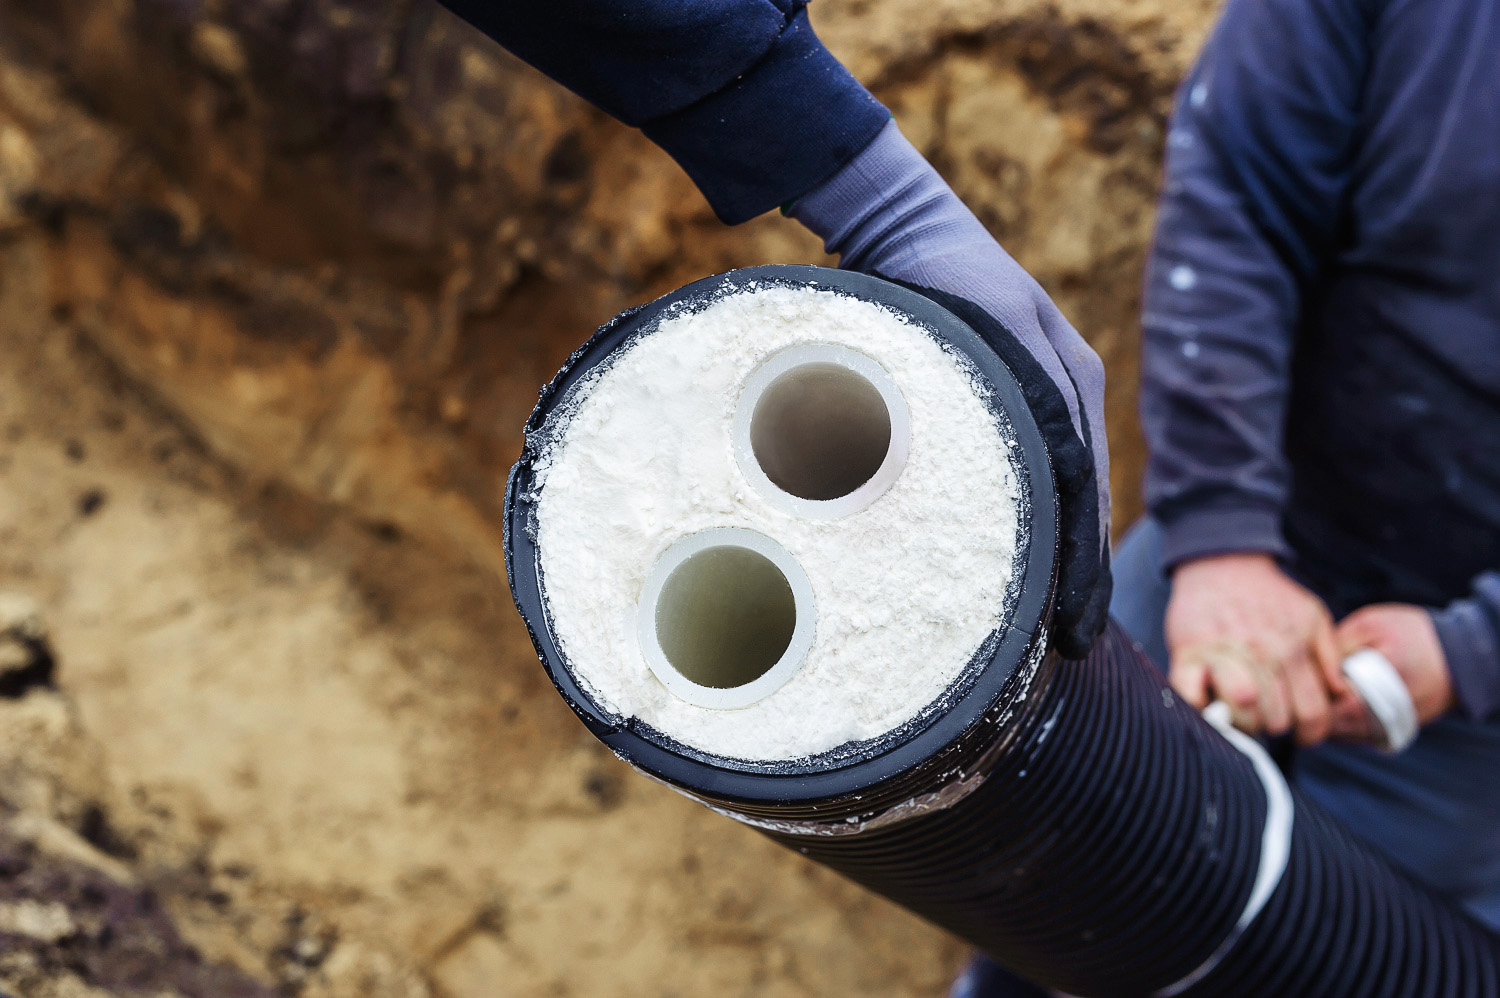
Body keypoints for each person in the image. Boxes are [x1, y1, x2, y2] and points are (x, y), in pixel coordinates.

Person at [957, 0, 1500, 992]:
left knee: (1359, 958)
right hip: (1240, 548)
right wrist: (1225, 542)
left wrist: (1470, 652)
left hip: (1465, 721)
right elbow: (1241, 209)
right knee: (1062, 888)